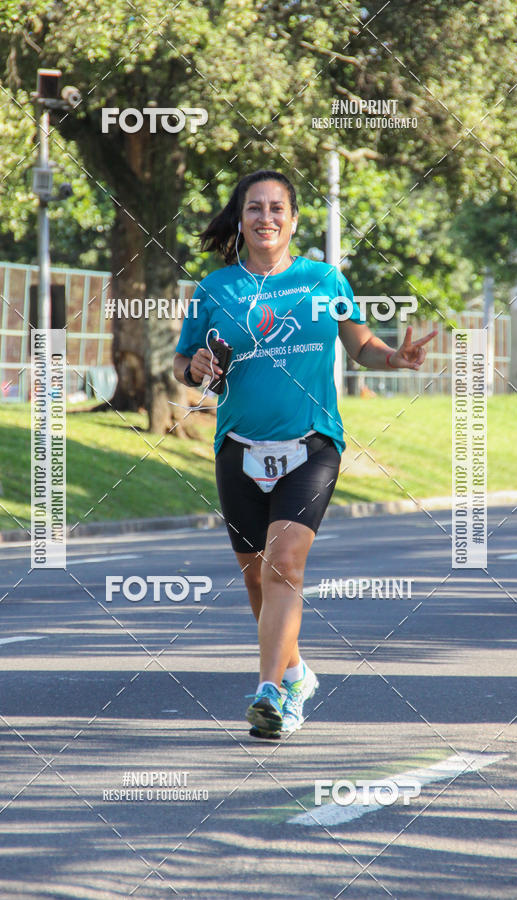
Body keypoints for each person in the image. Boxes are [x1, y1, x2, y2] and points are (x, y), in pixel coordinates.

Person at [173, 169, 436, 739]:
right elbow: (184, 362)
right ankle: (294, 669)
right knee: (254, 579)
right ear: (239, 222)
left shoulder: (324, 280)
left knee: (284, 564)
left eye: (276, 208)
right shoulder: (215, 290)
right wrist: (193, 368)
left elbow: (361, 344)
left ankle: (272, 693)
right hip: (238, 444)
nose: (265, 217)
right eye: (253, 209)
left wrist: (397, 358)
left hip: (313, 442)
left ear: (294, 220)